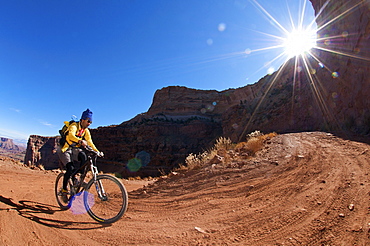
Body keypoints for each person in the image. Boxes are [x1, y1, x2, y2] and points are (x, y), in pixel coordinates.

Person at [58, 108, 101, 202]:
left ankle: (79, 180)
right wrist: (80, 141)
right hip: (65, 149)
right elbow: (71, 136)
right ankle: (64, 190)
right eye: (88, 121)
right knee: (70, 168)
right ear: (82, 120)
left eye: (91, 122)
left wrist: (97, 151)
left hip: (75, 149)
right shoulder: (74, 126)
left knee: (84, 157)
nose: (89, 123)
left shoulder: (86, 131)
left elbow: (90, 142)